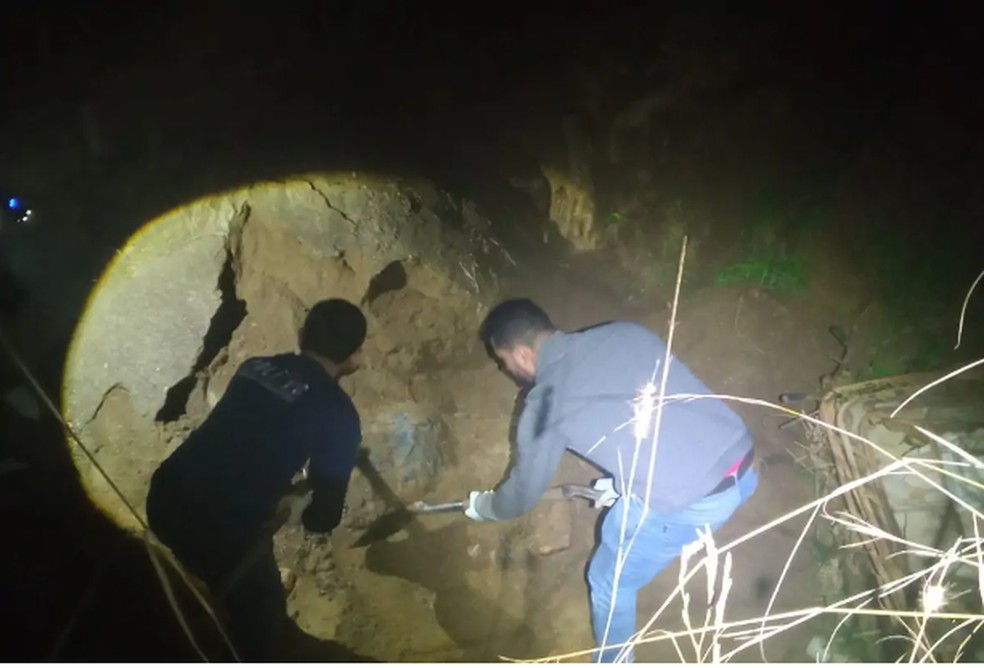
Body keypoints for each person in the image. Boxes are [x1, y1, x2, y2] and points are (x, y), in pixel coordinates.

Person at [464, 298, 759, 662]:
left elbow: (521, 495)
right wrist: (620, 486)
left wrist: (484, 507)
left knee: (608, 580)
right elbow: (656, 420)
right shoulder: (624, 333)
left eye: (504, 361)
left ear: (523, 355)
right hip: (741, 458)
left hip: (695, 501)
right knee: (633, 496)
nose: (505, 369)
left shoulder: (545, 403)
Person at [146, 298, 367, 661]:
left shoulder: (255, 367)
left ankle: (193, 591)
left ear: (302, 336)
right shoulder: (339, 414)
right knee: (263, 619)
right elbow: (324, 517)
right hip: (218, 530)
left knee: (203, 554)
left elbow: (249, 437)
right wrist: (298, 506)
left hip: (164, 496)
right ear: (355, 357)